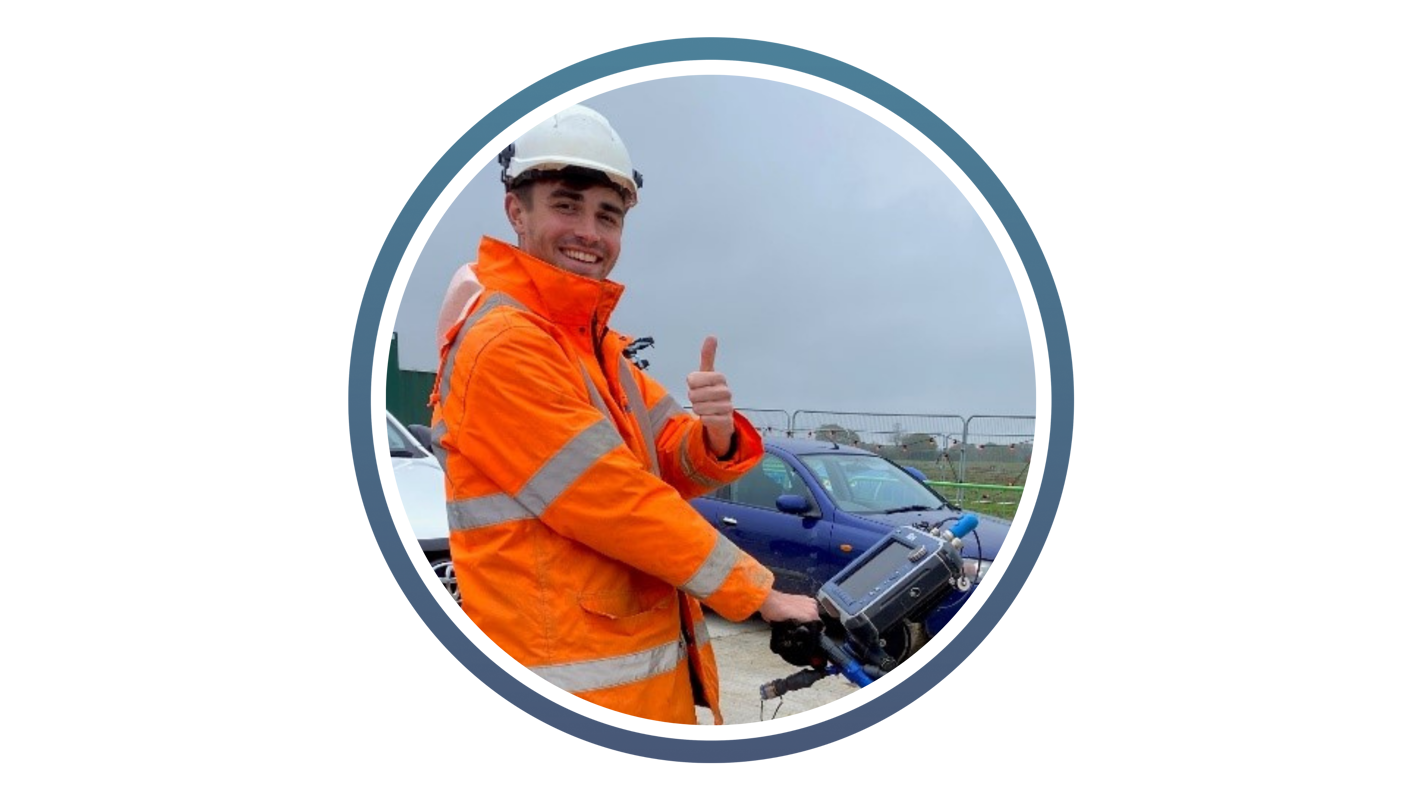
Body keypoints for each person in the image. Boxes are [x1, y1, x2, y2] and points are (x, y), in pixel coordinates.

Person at [427, 102, 821, 727]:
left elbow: (671, 453)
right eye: (566, 205)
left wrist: (715, 435)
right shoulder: (504, 344)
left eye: (607, 216)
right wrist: (760, 593)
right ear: (516, 211)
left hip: (623, 680)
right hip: (560, 677)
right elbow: (613, 497)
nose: (590, 231)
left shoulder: (597, 348)